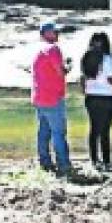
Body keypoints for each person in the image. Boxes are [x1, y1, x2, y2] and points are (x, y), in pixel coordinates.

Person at [31, 21, 71, 175]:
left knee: (43, 132)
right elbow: (60, 72)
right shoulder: (53, 49)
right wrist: (68, 67)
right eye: (54, 31)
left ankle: (45, 162)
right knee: (58, 132)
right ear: (47, 34)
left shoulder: (38, 50)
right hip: (52, 98)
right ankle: (63, 164)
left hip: (39, 97)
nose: (57, 33)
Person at [80, 31, 112, 171]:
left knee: (94, 130)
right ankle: (107, 161)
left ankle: (94, 161)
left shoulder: (86, 58)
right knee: (105, 131)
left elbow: (82, 79)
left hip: (91, 97)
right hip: (107, 97)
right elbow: (111, 79)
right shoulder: (107, 58)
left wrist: (86, 91)